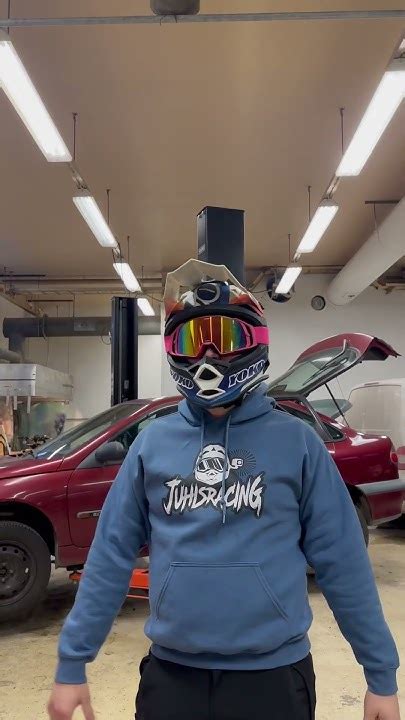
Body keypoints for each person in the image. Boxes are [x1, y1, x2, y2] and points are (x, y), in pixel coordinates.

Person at [47, 260, 401, 720]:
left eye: (226, 338)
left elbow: (343, 562)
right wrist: (73, 662)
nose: (208, 355)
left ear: (255, 342)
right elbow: (110, 555)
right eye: (191, 341)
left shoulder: (296, 443)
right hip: (173, 677)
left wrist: (380, 676)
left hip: (273, 677)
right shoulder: (153, 444)